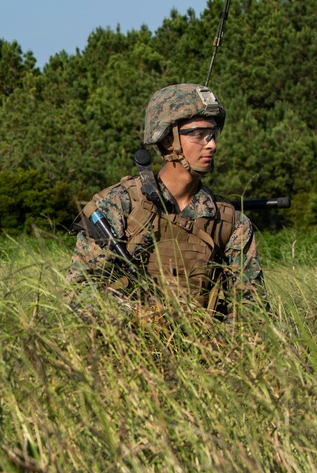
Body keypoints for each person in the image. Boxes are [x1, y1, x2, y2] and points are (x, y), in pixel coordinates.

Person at [67, 83, 265, 321]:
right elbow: (78, 295)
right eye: (199, 134)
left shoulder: (229, 222)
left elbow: (253, 312)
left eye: (213, 134)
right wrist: (137, 316)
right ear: (168, 140)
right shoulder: (121, 205)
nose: (211, 144)